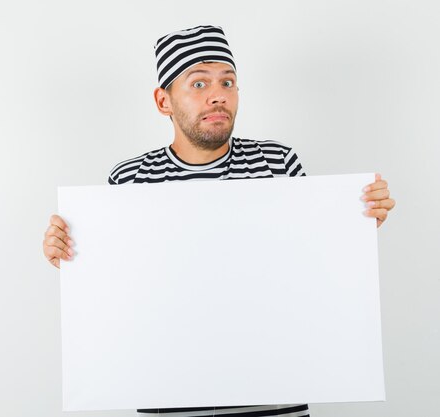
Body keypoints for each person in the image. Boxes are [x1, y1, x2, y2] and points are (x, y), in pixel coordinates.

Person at [42, 25, 396, 417]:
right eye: (198, 83)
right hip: (169, 399)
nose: (218, 95)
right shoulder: (130, 180)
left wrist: (355, 224)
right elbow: (115, 291)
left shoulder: (277, 164)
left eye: (228, 82)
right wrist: (69, 254)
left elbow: (311, 269)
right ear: (164, 101)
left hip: (275, 397)